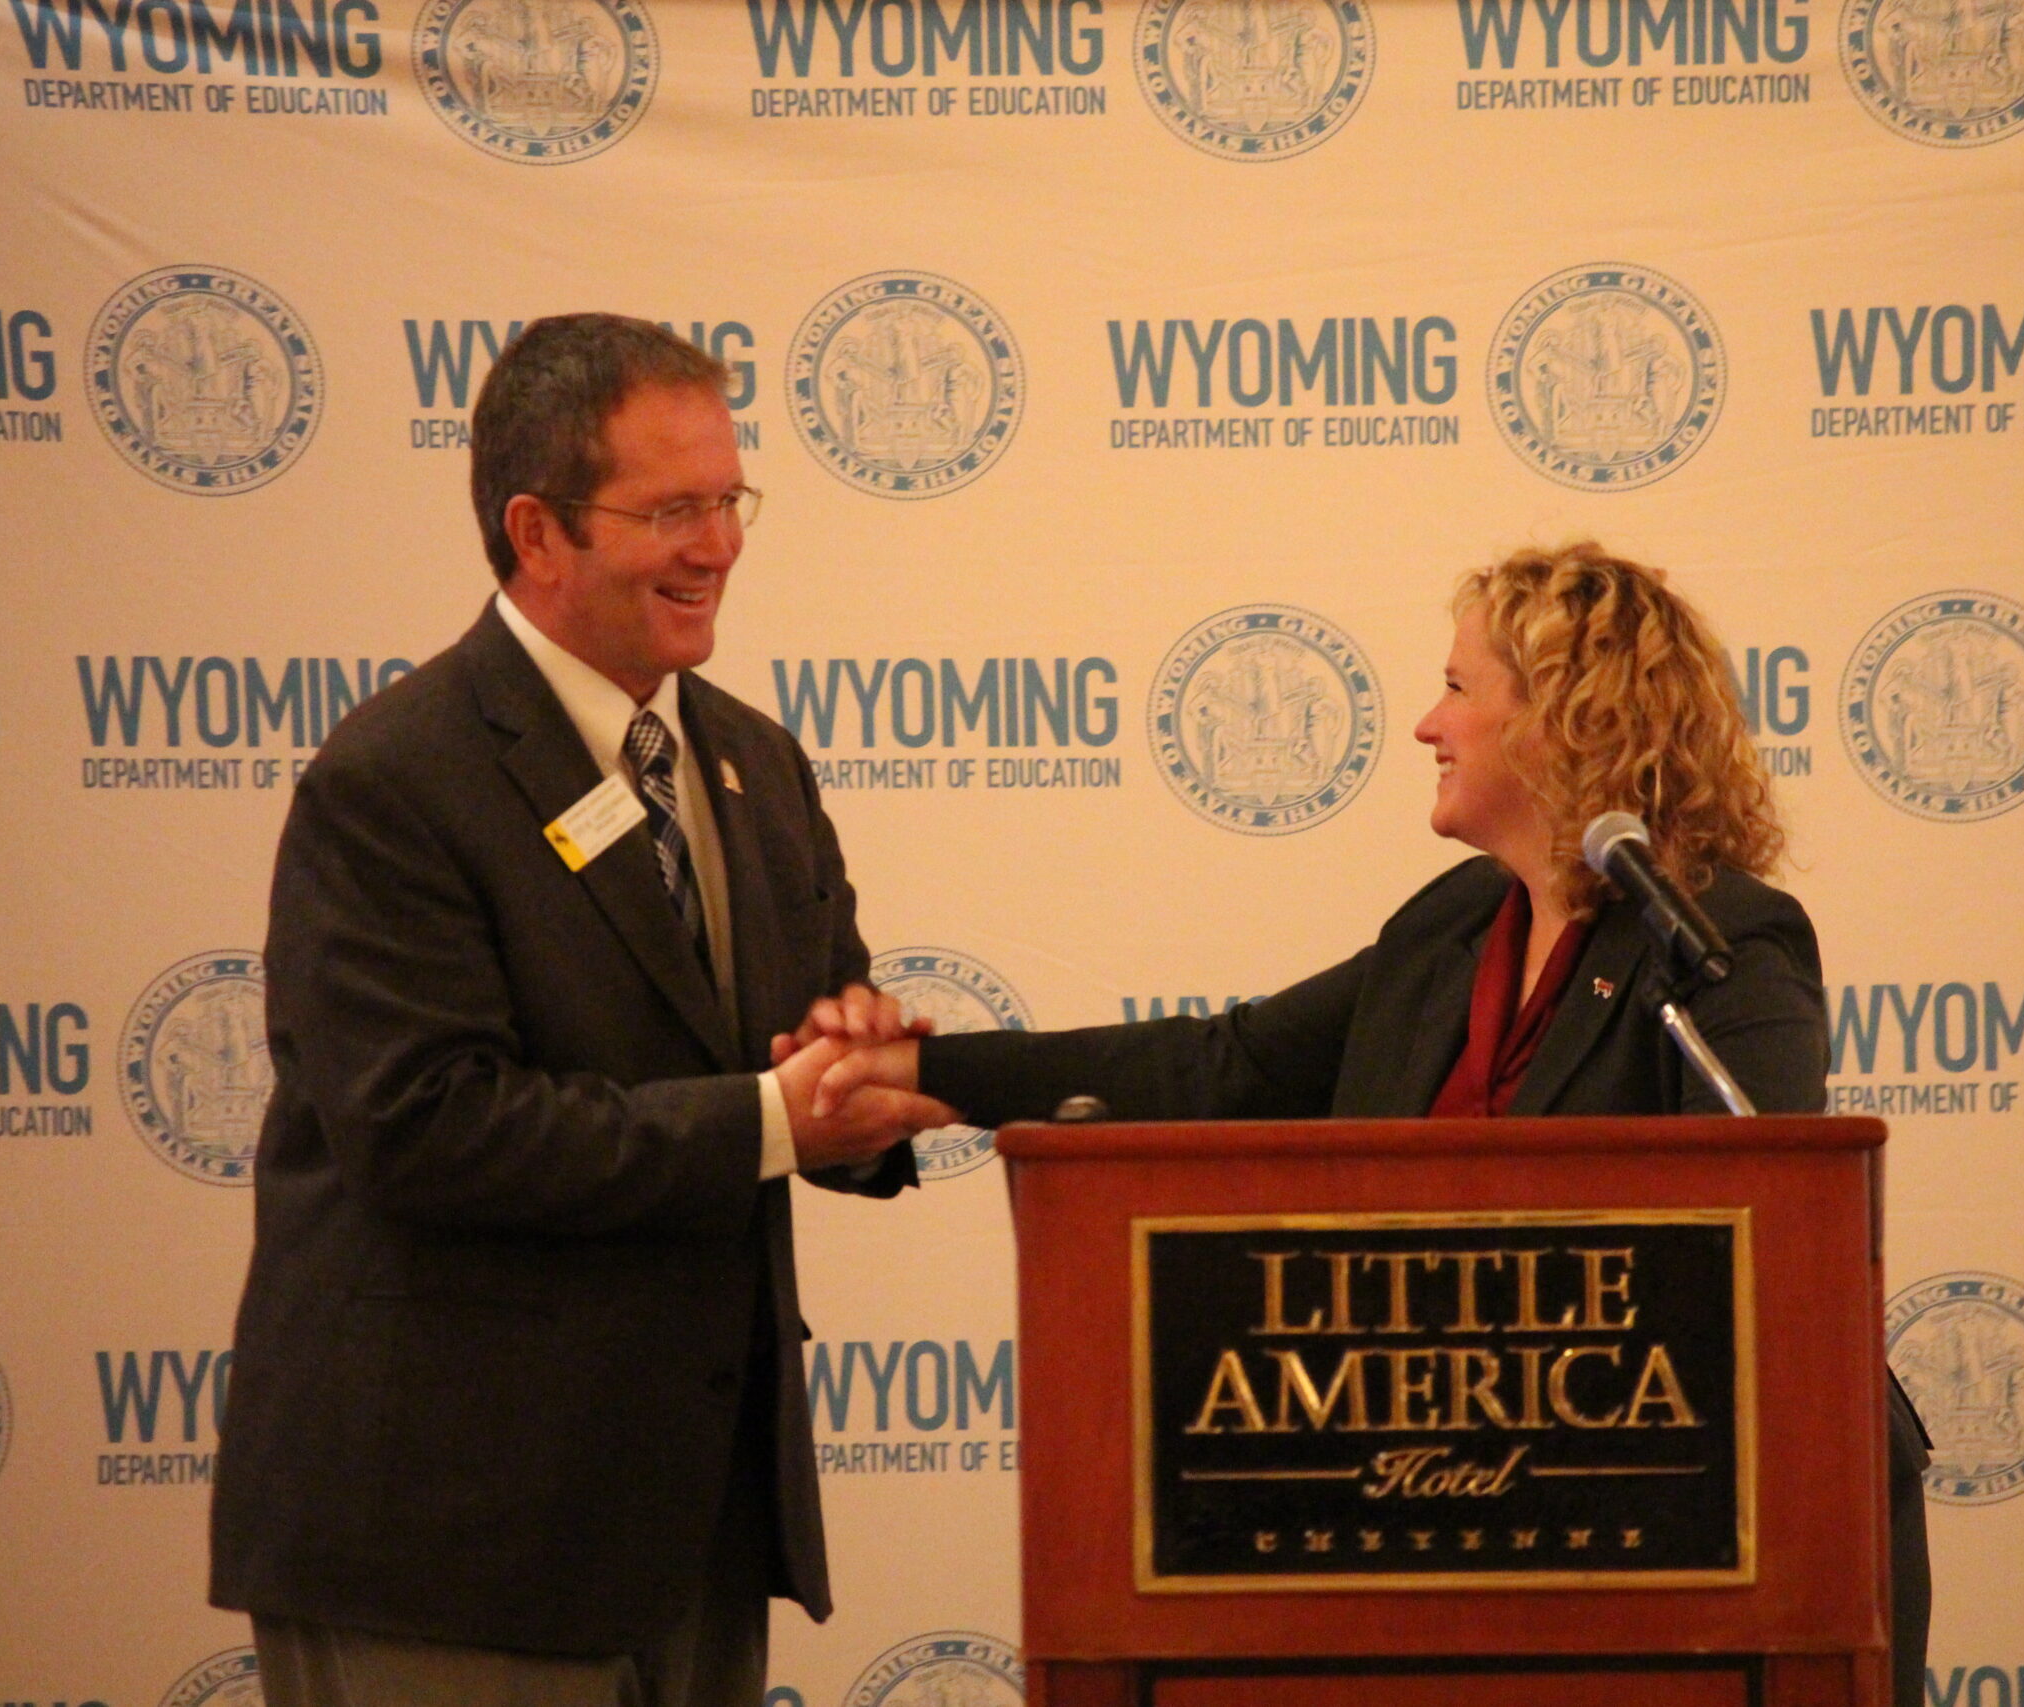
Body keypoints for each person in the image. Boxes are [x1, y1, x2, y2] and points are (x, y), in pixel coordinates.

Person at [796, 540, 1934, 1705]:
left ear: (1563, 717)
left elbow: (1771, 1240)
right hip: (1428, 1509)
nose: (1426, 727)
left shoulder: (1720, 941)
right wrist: (928, 1074)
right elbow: (1220, 1064)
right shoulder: (1447, 929)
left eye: (1457, 687)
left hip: (1677, 1525)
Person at [209, 313, 956, 1707]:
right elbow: (425, 1127)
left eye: (728, 500)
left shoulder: (753, 762)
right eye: (673, 509)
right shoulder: (396, 779)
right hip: (449, 1541)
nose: (719, 545)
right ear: (536, 532)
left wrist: (856, 1095)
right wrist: (766, 1118)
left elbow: (794, 1060)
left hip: (696, 1532)